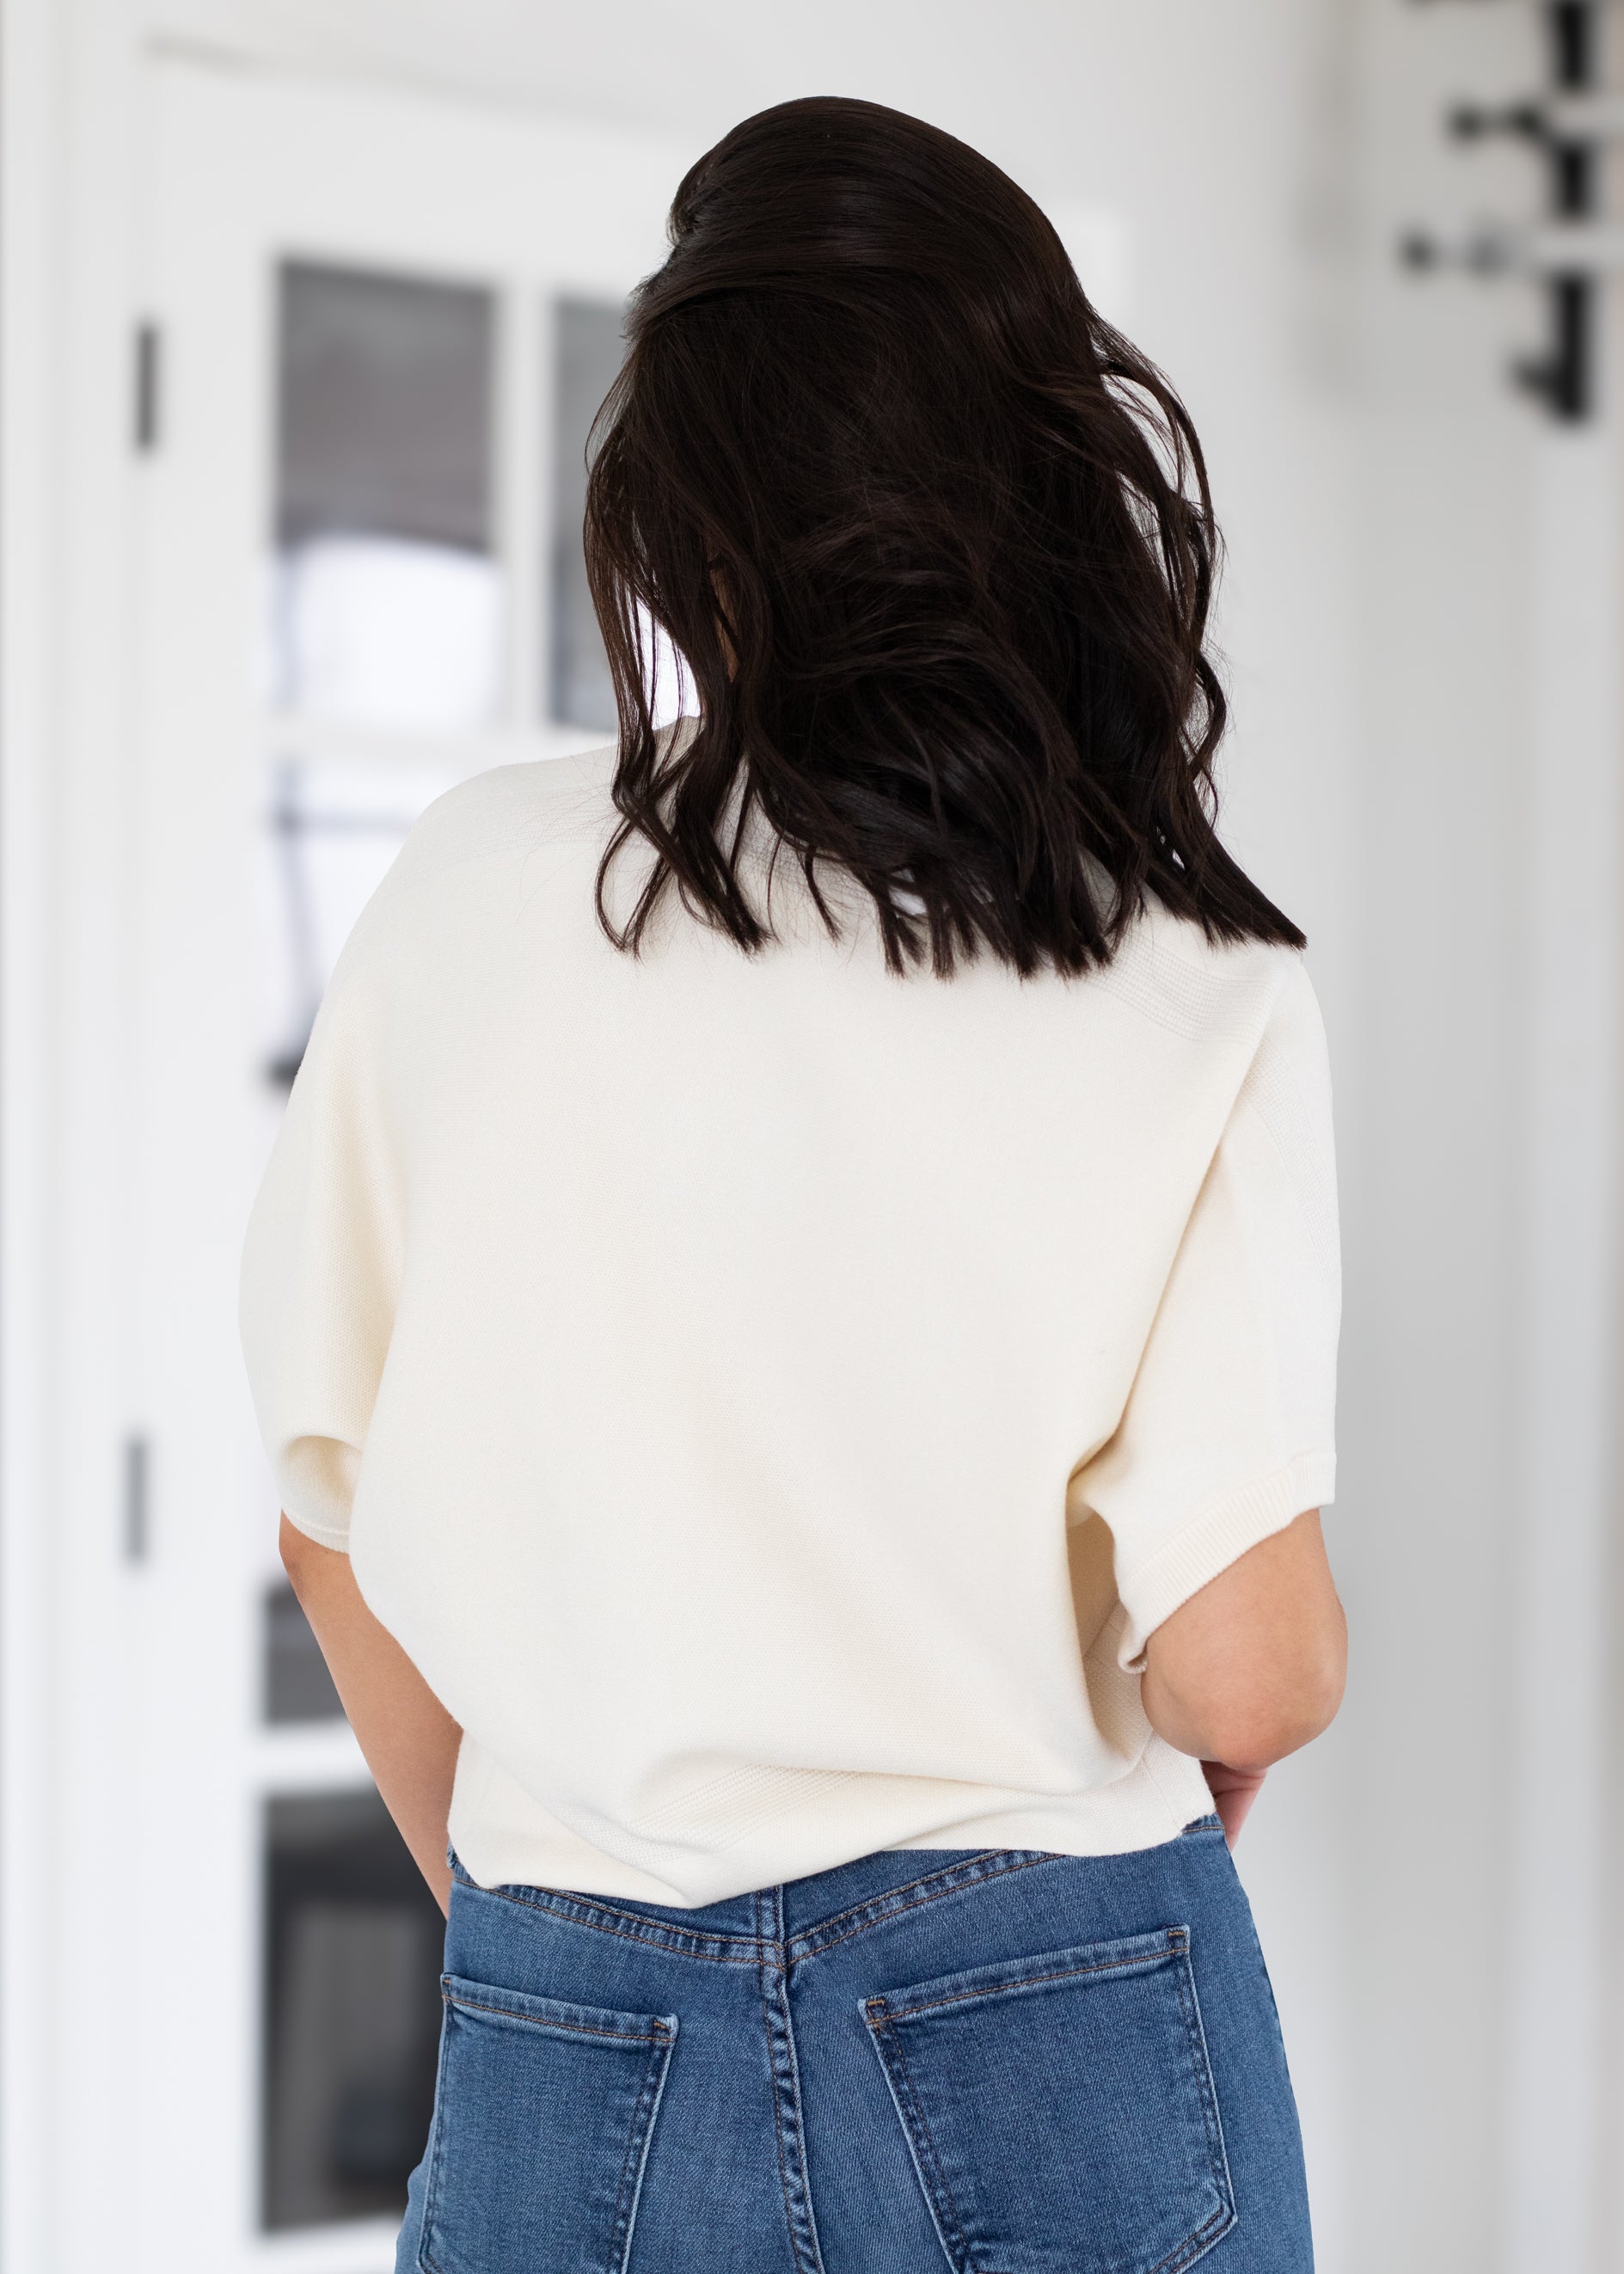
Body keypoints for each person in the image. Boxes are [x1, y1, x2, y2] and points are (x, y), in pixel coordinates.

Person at [242, 95, 1345, 2274]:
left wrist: (523, 1888)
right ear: (1048, 490)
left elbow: (326, 1492)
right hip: (1061, 1992)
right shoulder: (1178, 962)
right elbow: (1247, 1674)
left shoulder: (472, 889)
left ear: (674, 517)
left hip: (578, 1997)